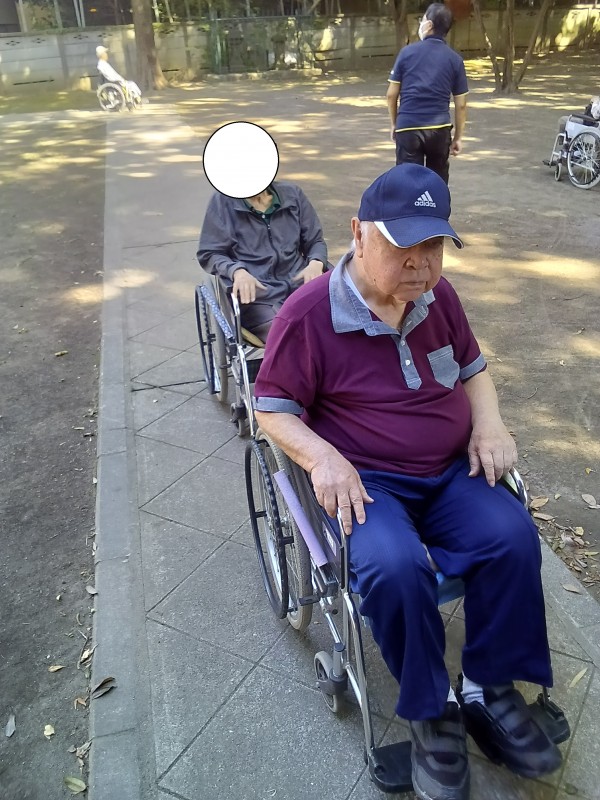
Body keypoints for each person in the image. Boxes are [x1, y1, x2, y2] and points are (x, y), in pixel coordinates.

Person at [253, 163, 563, 800]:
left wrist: (490, 424)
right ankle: (431, 709)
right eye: (403, 246)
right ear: (359, 234)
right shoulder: (309, 314)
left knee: (511, 536)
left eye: (433, 246)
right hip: (369, 482)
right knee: (394, 567)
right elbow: (272, 410)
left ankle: (488, 688)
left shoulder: (438, 300)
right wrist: (323, 458)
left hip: (450, 472)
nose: (420, 264)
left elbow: (473, 370)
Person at [197, 181, 327, 342]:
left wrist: (316, 263)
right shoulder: (222, 202)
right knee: (291, 336)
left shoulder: (292, 194)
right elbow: (210, 252)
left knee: (338, 321)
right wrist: (237, 271)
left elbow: (315, 241)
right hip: (258, 297)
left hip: (301, 287)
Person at [386, 3, 468, 183]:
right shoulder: (455, 60)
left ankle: (409, 202)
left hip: (408, 128)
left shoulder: (406, 53)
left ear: (429, 25)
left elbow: (391, 95)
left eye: (422, 19)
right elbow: (461, 104)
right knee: (437, 183)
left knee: (407, 182)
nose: (420, 23)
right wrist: (458, 138)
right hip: (439, 130)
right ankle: (436, 202)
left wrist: (394, 124)